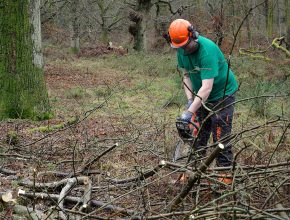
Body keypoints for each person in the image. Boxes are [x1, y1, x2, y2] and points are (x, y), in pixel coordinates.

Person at [167, 19, 238, 172]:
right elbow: (186, 76)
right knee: (198, 134)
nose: (184, 49)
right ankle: (194, 171)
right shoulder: (181, 50)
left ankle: (224, 174)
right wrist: (190, 101)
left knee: (220, 136)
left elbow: (207, 88)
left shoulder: (207, 51)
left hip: (222, 94)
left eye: (186, 45)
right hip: (200, 96)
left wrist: (189, 112)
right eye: (180, 47)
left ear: (193, 35)